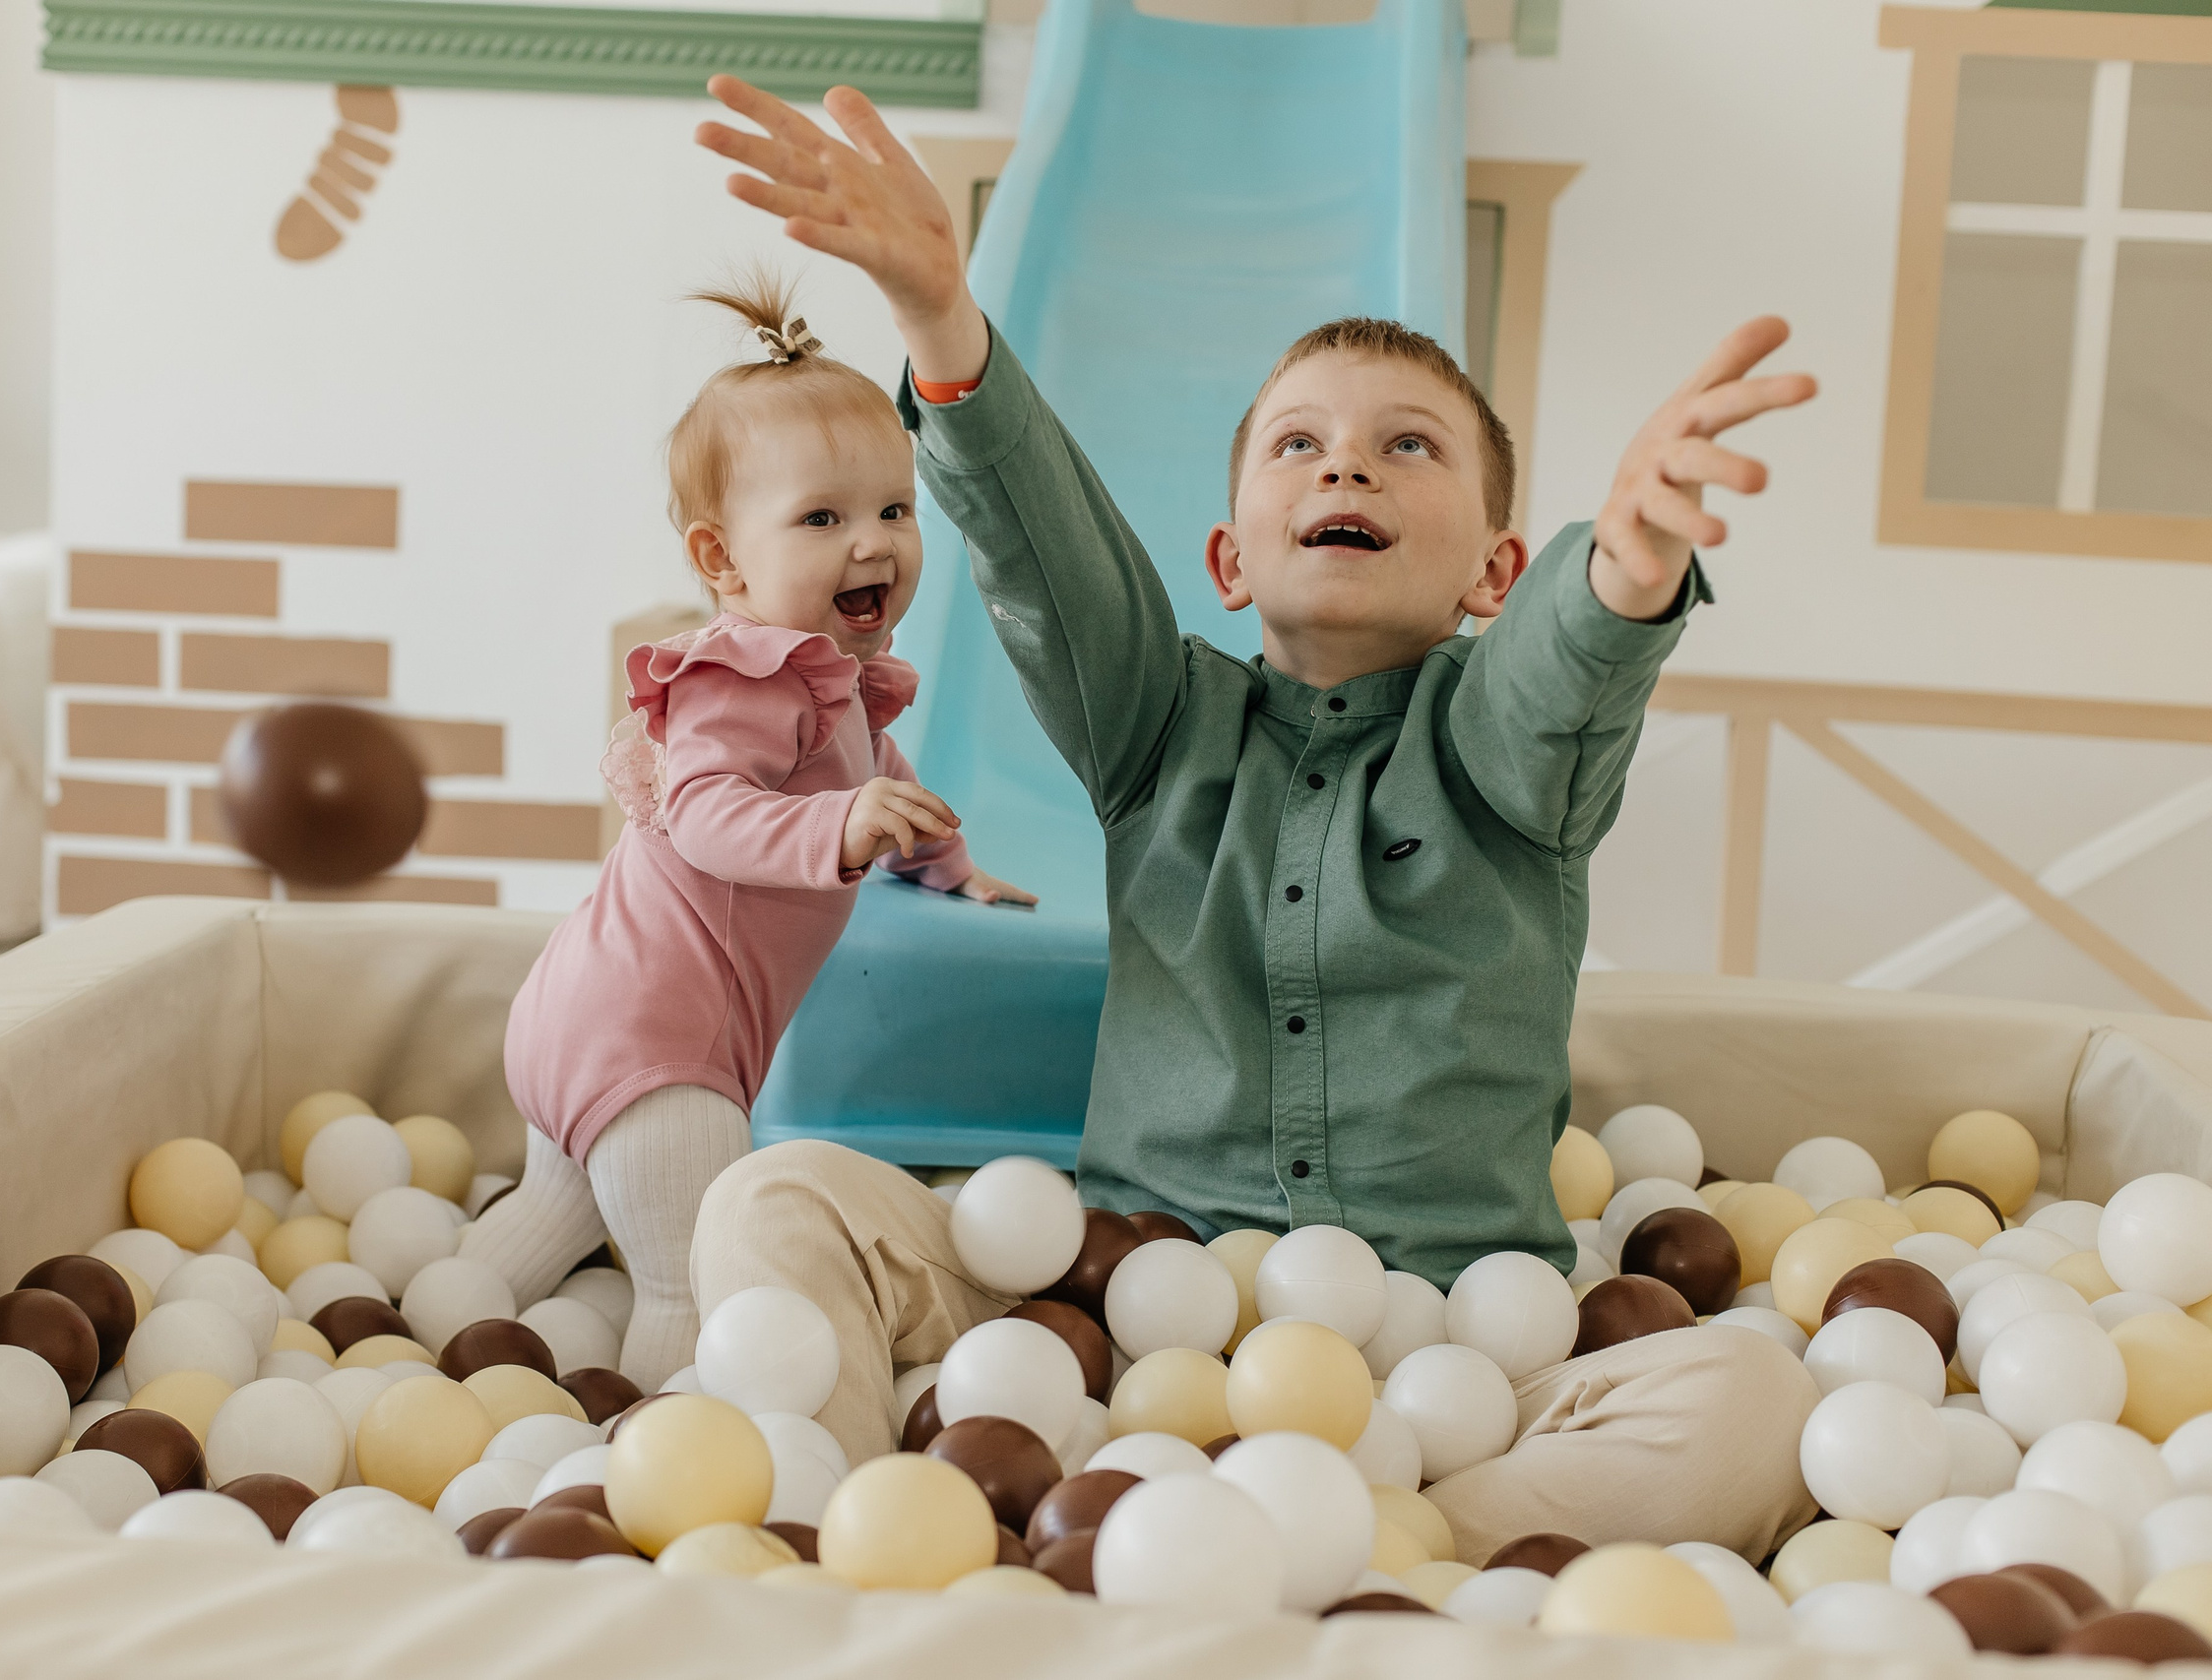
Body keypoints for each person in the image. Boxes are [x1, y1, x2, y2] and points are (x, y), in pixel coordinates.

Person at [682, 77, 1826, 1561]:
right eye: (1299, 443)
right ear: (1230, 555)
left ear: (1491, 571)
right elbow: (1050, 557)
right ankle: (867, 1534)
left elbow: (1563, 675)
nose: (1345, 461)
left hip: (1448, 1359)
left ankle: (1350, 1547)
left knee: (1752, 1387)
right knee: (774, 1200)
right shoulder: (1162, 726)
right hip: (1120, 1316)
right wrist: (939, 323)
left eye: (1408, 445)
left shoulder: (1499, 760)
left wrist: (1622, 563)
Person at [464, 276, 1033, 1389]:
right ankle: (661, 1448)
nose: (872, 544)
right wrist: (838, 824)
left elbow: (874, 775)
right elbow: (708, 811)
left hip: (583, 1016)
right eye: (822, 519)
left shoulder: (827, 677)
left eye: (894, 510)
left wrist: (940, 860)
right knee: (690, 1276)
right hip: (657, 1052)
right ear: (723, 561)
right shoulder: (739, 676)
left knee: (551, 1216)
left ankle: (435, 1328)